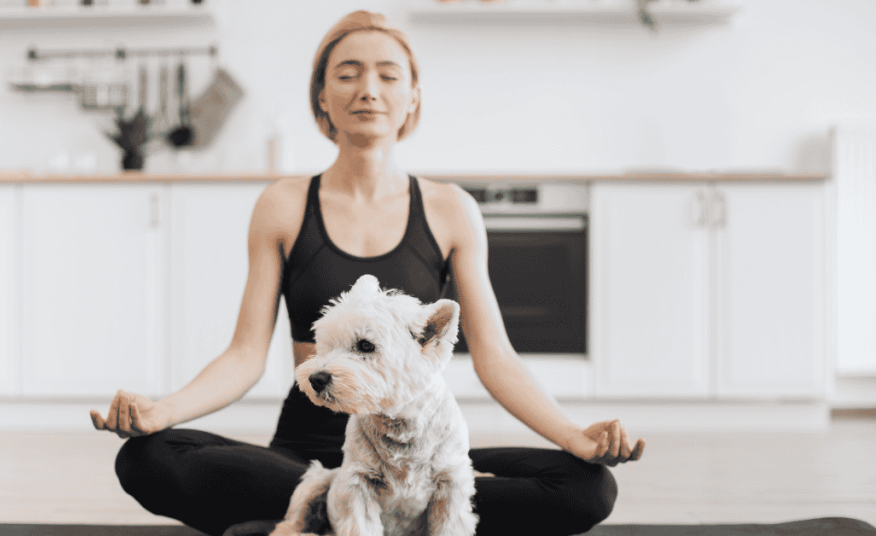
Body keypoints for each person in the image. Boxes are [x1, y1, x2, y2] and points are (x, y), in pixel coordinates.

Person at [91, 10, 645, 536]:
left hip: (418, 454)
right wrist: (159, 410)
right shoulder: (283, 205)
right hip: (305, 452)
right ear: (323, 99)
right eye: (348, 74)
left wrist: (574, 436)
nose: (369, 90)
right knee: (146, 457)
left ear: (412, 99)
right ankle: (354, 508)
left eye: (387, 75)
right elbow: (244, 356)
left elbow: (495, 358)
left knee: (586, 487)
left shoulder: (451, 209)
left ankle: (319, 520)